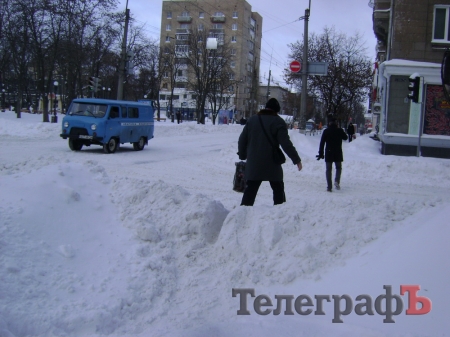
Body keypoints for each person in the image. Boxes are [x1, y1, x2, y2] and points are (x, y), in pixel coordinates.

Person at [238, 98, 303, 206]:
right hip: (272, 163)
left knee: (250, 192)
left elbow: (242, 140)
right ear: (276, 110)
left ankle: (243, 214)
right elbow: (285, 143)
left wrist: (242, 155)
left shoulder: (252, 120)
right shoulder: (278, 122)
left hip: (254, 163)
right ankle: (280, 213)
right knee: (278, 190)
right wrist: (296, 160)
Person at [317, 118, 348, 192]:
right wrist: (341, 131)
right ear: (336, 123)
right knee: (338, 168)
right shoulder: (339, 130)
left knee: (328, 170)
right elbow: (345, 137)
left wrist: (321, 153)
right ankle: (337, 181)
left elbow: (322, 143)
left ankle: (329, 187)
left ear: (329, 123)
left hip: (328, 152)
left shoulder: (326, 131)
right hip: (338, 152)